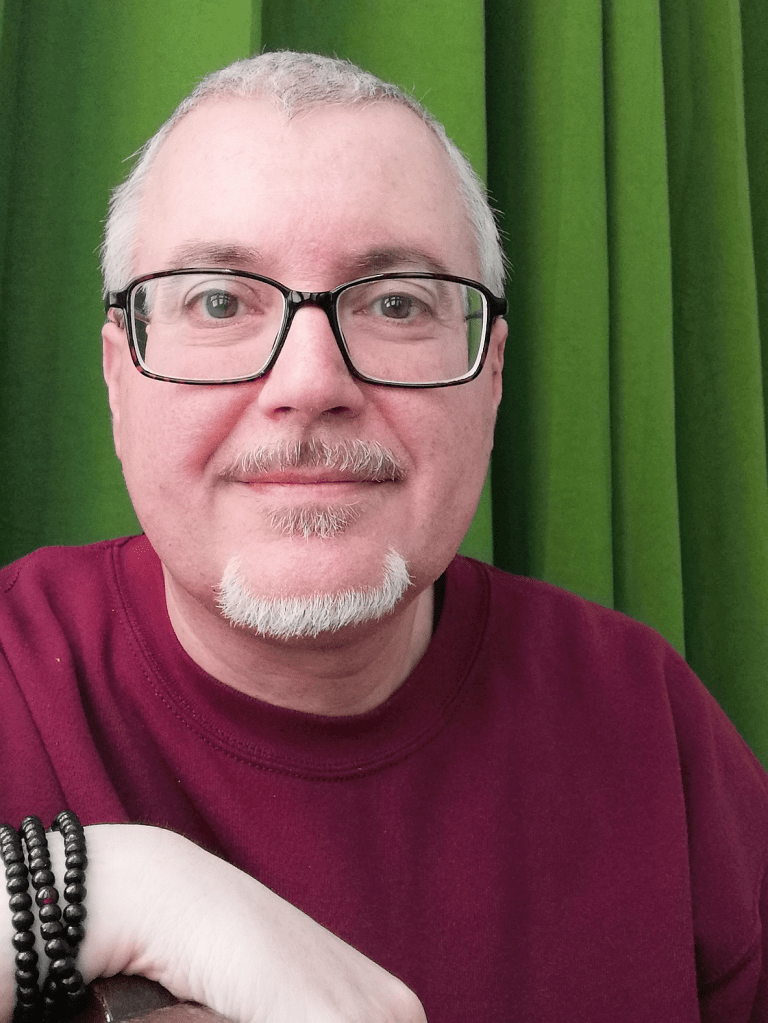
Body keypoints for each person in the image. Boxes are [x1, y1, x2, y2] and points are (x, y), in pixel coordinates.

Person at [0, 50, 766, 1023]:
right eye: (220, 301)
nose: (310, 381)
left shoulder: (646, 716)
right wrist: (113, 892)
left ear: (490, 377)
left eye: (396, 303)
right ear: (120, 377)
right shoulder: (12, 670)